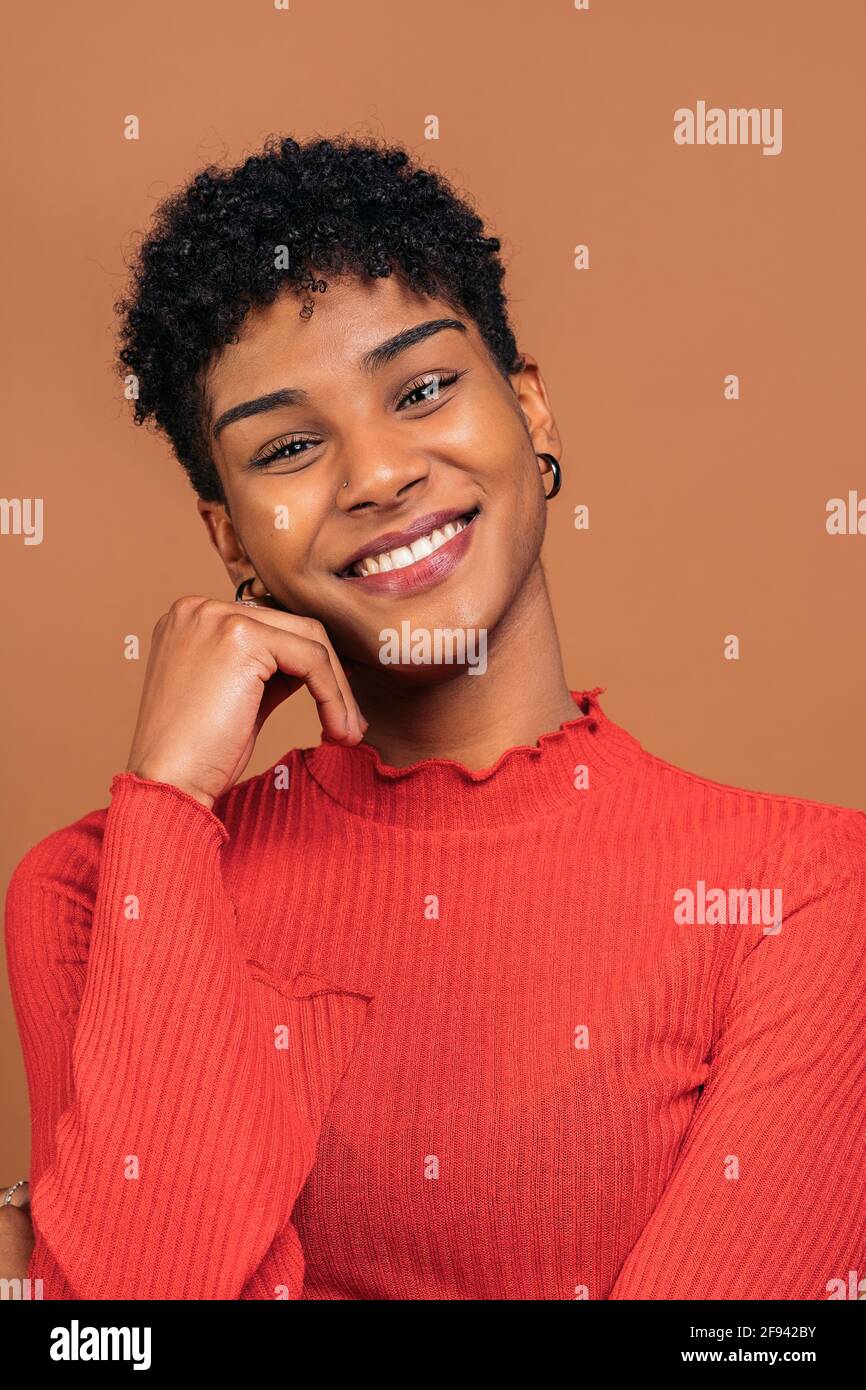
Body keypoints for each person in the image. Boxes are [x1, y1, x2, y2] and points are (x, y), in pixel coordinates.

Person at [4, 134, 865, 1301]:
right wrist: (167, 805)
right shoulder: (96, 892)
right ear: (230, 540)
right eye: (289, 447)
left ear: (530, 411)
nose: (373, 473)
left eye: (421, 389)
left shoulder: (804, 894)